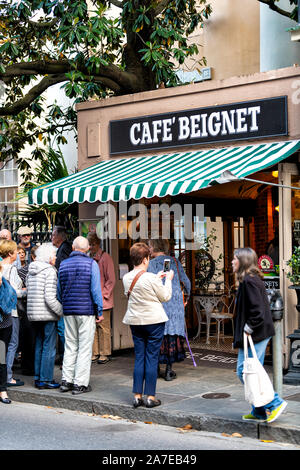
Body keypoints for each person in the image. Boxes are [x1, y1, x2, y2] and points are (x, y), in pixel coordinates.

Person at [232, 247, 287, 424]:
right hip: (257, 334)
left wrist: (248, 328)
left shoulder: (249, 281)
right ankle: (259, 411)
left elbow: (258, 312)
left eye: (234, 259)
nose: (232, 262)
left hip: (256, 334)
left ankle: (275, 402)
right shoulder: (250, 280)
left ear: (243, 261)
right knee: (250, 371)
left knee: (245, 371)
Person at [123, 242, 173, 408]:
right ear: (145, 259)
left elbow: (134, 291)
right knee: (151, 358)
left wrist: (156, 279)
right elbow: (165, 296)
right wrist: (168, 280)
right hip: (154, 322)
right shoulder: (151, 278)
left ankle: (137, 396)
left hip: (135, 321)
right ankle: (151, 397)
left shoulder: (127, 277)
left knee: (139, 357)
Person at [57, 236, 103, 395]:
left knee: (70, 345)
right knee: (84, 347)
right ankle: (80, 384)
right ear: (87, 249)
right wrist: (100, 311)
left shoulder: (63, 264)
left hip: (68, 311)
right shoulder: (92, 264)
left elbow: (59, 292)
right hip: (86, 311)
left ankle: (66, 381)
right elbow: (96, 291)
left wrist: (66, 302)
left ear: (73, 248)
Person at [147, 239, 191, 381]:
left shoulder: (151, 264)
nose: (148, 249)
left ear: (154, 247)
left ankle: (156, 368)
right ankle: (169, 370)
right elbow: (186, 282)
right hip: (175, 302)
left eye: (149, 246)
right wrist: (187, 297)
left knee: (159, 334)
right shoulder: (175, 262)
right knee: (171, 334)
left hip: (160, 302)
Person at [27, 243, 62, 389]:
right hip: (47, 314)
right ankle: (46, 379)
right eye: (54, 255)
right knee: (49, 347)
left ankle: (38, 378)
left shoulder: (31, 270)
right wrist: (60, 311)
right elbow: (49, 297)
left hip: (34, 314)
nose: (55, 257)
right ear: (48, 257)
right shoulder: (50, 271)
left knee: (39, 345)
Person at [0, 240, 26, 387]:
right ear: (10, 253)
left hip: (0, 311)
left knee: (2, 345)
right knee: (12, 343)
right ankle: (8, 377)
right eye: (16, 251)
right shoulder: (12, 269)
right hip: (11, 311)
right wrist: (26, 291)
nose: (17, 253)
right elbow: (16, 293)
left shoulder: (0, 267)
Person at [88, 232, 116, 364]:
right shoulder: (89, 257)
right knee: (92, 328)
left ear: (98, 244)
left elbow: (111, 280)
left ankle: (104, 353)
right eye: (90, 244)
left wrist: (104, 295)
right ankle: (95, 352)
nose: (91, 247)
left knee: (104, 327)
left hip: (103, 299)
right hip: (92, 299)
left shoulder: (106, 258)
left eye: (93, 244)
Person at [51, 226, 72, 367]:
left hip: (63, 295)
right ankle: (65, 356)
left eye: (53, 235)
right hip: (64, 294)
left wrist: (54, 263)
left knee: (62, 328)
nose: (52, 237)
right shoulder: (64, 247)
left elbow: (63, 268)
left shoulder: (64, 248)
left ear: (60, 236)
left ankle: (66, 357)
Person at [18, 246, 37, 376]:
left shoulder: (26, 270)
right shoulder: (24, 271)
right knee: (31, 338)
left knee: (27, 338)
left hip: (27, 308)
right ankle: (29, 366)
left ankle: (27, 365)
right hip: (29, 306)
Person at [0, 261, 17, 404]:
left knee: (1, 359)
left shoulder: (6, 286)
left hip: (3, 326)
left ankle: (2, 390)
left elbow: (9, 305)